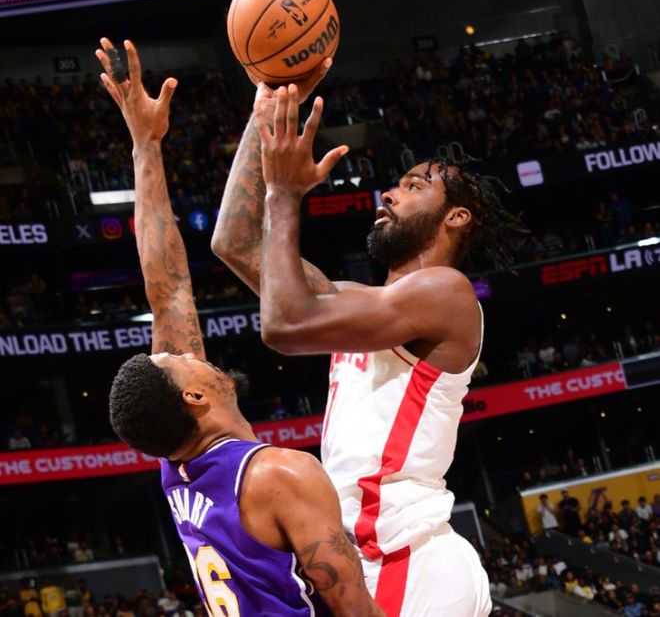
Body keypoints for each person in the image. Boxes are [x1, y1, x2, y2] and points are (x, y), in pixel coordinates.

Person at [214, 81, 525, 615]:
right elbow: (234, 243)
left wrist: (284, 195)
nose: (390, 193)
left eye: (415, 185)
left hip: (408, 553)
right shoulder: (359, 305)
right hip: (365, 553)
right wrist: (264, 110)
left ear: (456, 217)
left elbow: (283, 325)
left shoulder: (447, 292)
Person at [96, 38, 382, 617]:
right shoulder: (281, 474)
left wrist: (146, 145)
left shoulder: (179, 468)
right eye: (182, 361)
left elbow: (168, 289)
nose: (189, 350)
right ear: (195, 397)